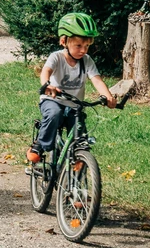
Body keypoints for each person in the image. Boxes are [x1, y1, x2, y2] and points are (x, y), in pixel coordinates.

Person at [27, 12, 116, 164]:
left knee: (80, 137)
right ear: (64, 41)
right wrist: (47, 85)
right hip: (53, 100)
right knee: (54, 114)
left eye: (87, 46)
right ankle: (40, 145)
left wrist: (108, 96)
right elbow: (46, 71)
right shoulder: (57, 57)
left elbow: (97, 80)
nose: (83, 50)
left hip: (75, 105)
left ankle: (79, 162)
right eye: (79, 45)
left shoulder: (86, 61)